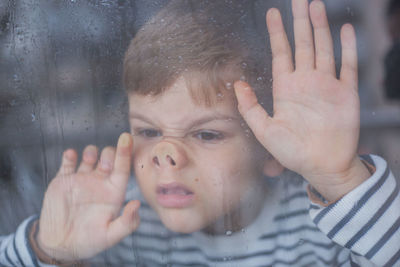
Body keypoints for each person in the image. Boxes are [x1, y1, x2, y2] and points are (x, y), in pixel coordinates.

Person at [1, 0, 399, 266]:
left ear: (271, 148)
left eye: (207, 134)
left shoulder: (324, 226)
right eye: (148, 130)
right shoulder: (120, 223)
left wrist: (339, 180)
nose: (166, 156)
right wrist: (48, 250)